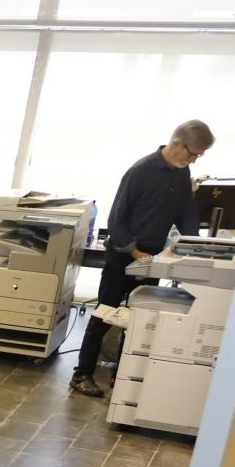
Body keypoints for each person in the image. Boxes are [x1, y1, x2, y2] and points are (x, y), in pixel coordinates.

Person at [70, 120, 213, 398]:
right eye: (193, 153)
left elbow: (185, 212)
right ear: (176, 143)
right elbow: (117, 219)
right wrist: (134, 252)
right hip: (124, 254)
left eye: (199, 156)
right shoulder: (141, 171)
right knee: (105, 314)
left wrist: (195, 244)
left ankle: (122, 375)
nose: (194, 160)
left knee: (140, 317)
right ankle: (82, 374)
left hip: (152, 257)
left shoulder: (182, 173)